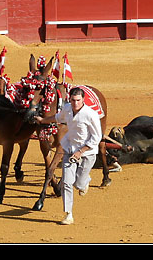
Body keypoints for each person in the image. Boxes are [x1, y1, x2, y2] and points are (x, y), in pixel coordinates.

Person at [35, 87, 102, 225]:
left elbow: (97, 138)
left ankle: (85, 181)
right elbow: (57, 117)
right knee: (66, 182)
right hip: (70, 149)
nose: (75, 103)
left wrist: (81, 151)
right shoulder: (67, 109)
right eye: (73, 100)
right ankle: (68, 214)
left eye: (78, 100)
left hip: (87, 153)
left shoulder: (91, 115)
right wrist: (42, 120)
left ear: (83, 100)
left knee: (78, 184)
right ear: (69, 99)